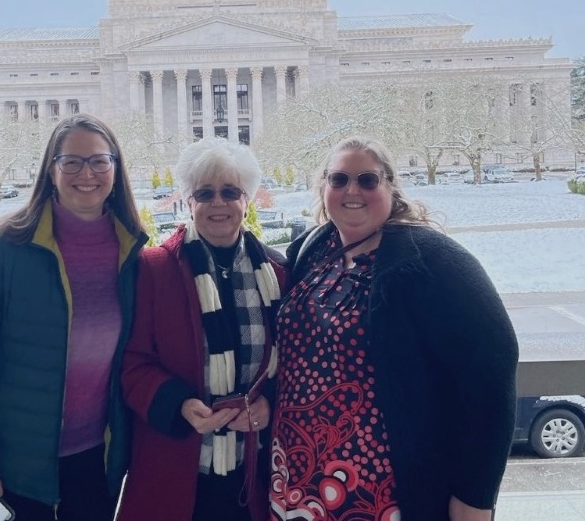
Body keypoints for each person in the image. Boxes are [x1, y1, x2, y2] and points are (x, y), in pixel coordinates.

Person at [271, 136, 518, 521]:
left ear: (390, 186)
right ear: (323, 188)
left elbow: (491, 375)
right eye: (338, 179)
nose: (352, 190)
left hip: (383, 491)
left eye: (367, 180)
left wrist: (475, 495)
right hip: (299, 478)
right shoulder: (313, 249)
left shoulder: (431, 259)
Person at [0, 114, 147, 521]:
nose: (86, 173)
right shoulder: (4, 247)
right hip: (14, 470)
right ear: (51, 171)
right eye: (71, 162)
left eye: (99, 161)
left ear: (116, 171)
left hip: (97, 464)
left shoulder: (134, 253)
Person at [117, 137, 288, 521]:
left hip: (253, 471)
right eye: (204, 193)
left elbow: (293, 363)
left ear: (247, 199)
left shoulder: (277, 274)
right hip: (178, 467)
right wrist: (178, 404)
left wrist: (269, 404)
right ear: (188, 201)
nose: (218, 203)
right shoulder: (153, 270)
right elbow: (132, 362)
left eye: (230, 192)